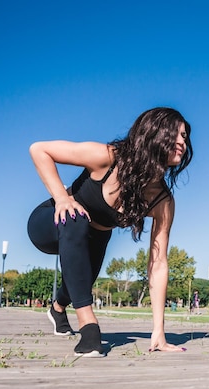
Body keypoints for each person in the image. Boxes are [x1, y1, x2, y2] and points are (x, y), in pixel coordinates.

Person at [27, 107, 193, 357]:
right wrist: (62, 198)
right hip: (50, 221)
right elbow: (39, 149)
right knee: (76, 218)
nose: (183, 141)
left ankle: (57, 309)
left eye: (185, 136)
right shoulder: (107, 156)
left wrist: (158, 331)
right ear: (155, 134)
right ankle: (89, 327)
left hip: (95, 238)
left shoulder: (162, 200)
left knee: (81, 281)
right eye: (177, 134)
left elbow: (158, 263)